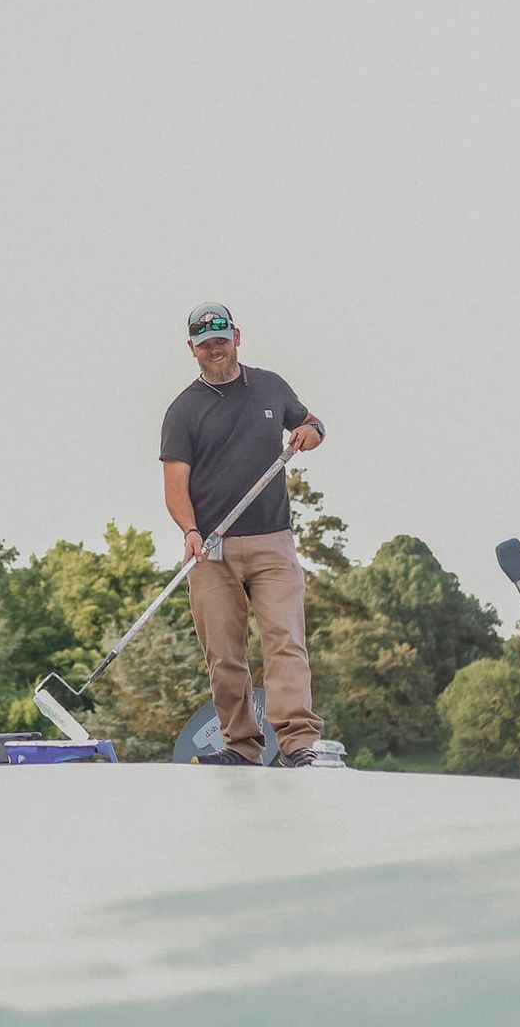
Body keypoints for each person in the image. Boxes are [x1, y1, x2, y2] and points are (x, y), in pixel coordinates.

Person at [159, 302, 326, 768]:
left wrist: (312, 432)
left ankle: (296, 745)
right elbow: (175, 487)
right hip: (211, 549)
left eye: (221, 340)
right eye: (205, 344)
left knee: (284, 640)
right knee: (225, 654)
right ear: (192, 348)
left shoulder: (271, 386)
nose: (215, 350)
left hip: (273, 541)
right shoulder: (183, 410)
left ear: (237, 337)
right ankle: (242, 746)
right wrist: (190, 531)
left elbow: (312, 422)